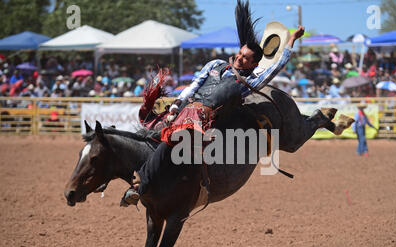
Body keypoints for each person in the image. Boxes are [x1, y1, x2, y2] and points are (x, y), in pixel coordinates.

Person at [120, 0, 352, 206]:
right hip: (184, 109)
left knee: (171, 141)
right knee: (151, 129)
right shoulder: (214, 65)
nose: (239, 58)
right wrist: (174, 106)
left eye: (245, 58)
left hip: (208, 121)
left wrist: (291, 41)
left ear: (252, 64)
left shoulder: (250, 81)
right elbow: (193, 85)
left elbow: (275, 67)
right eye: (240, 54)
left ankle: (141, 185)